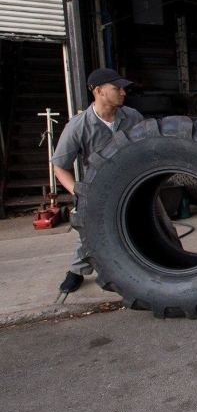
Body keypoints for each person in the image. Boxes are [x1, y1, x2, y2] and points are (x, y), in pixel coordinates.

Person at [52, 68, 144, 294]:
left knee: (160, 224)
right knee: (89, 233)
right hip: (98, 189)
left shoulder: (133, 117)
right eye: (117, 88)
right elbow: (59, 167)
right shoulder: (78, 126)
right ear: (99, 91)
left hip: (133, 183)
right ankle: (75, 272)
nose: (123, 92)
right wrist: (80, 191)